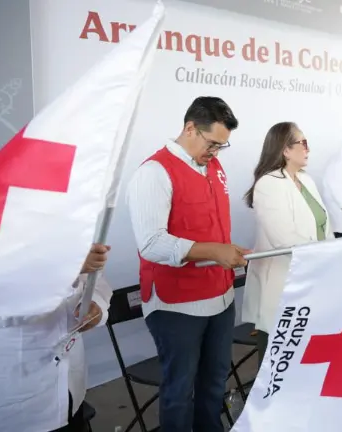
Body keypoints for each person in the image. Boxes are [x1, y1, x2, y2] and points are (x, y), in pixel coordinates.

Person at [126, 96, 250, 432]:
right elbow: (151, 243)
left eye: (222, 146)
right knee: (180, 392)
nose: (216, 152)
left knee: (213, 386)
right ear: (190, 128)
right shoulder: (154, 173)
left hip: (220, 296)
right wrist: (212, 249)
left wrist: (225, 250)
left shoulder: (212, 165)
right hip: (177, 304)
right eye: (213, 144)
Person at [0, 244, 112, 432]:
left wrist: (96, 304)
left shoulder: (68, 223)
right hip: (15, 396)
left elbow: (96, 280)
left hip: (70, 385)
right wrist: (65, 270)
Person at [243, 122, 332, 367]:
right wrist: (324, 257)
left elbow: (324, 227)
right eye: (302, 143)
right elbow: (283, 238)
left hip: (313, 279)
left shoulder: (306, 180)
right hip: (283, 285)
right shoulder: (268, 183)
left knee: (306, 361)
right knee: (278, 363)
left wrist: (333, 258)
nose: (308, 149)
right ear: (285, 149)